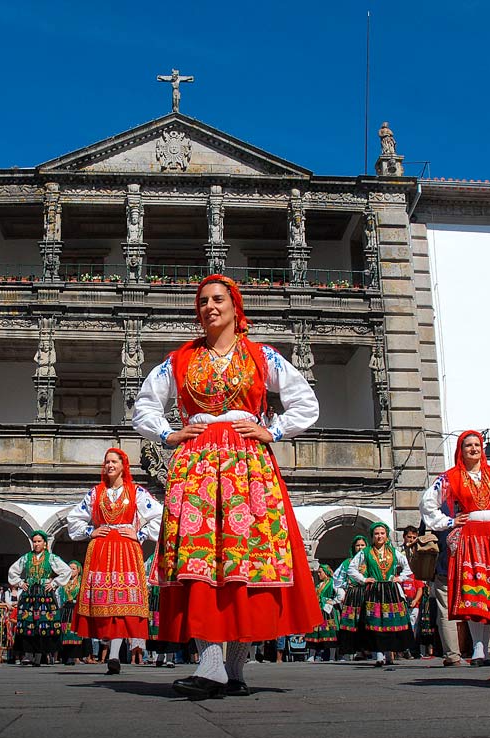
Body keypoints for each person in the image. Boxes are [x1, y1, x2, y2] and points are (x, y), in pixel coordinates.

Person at [133, 274, 322, 699]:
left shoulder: (261, 356)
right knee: (201, 558)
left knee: (245, 559)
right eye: (202, 302)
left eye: (218, 299)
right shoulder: (180, 360)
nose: (210, 307)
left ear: (236, 306)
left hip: (246, 464)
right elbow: (144, 404)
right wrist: (167, 434)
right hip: (198, 463)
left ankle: (234, 667)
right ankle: (212, 663)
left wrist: (272, 430)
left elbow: (304, 401)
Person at [420, 430, 490, 667]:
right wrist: (450, 522)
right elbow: (428, 503)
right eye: (468, 445)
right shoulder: (451, 477)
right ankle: (479, 648)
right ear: (460, 450)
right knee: (475, 590)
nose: (474, 449)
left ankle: (482, 648)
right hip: (470, 535)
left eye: (477, 445)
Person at [66, 447, 163, 675]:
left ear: (123, 466)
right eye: (107, 462)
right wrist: (91, 530)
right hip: (100, 548)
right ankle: (110, 651)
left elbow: (158, 514)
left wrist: (139, 534)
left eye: (114, 462)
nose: (109, 465)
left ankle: (113, 656)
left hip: (126, 549)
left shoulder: (136, 492)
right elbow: (74, 518)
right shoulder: (95, 493)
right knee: (104, 602)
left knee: (121, 602)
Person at [336, 522, 415, 666]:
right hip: (374, 591)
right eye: (376, 534)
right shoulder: (365, 552)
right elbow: (351, 569)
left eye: (382, 533)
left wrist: (399, 578)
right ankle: (379, 655)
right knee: (375, 623)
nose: (379, 536)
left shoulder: (393, 551)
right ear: (372, 537)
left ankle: (389, 654)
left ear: (386, 535)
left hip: (390, 590)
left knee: (390, 622)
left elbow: (408, 566)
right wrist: (364, 579)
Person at [7, 531, 71, 666]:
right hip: (29, 594)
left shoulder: (51, 558)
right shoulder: (26, 558)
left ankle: (40, 655)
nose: (36, 544)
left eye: (39, 541)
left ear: (45, 543)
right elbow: (13, 571)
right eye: (34, 541)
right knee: (28, 622)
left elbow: (66, 571)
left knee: (43, 623)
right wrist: (20, 583)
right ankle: (28, 654)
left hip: (44, 594)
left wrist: (53, 583)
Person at [333, 535, 369, 657]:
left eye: (362, 545)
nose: (360, 548)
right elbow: (337, 579)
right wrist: (343, 591)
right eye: (357, 545)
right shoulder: (347, 563)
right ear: (354, 547)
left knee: (368, 621)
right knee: (353, 623)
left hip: (368, 593)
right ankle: (356, 650)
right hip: (353, 595)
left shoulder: (370, 560)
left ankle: (370, 649)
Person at [304, 565, 338, 660]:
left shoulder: (332, 583)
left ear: (326, 572)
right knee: (314, 632)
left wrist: (332, 601)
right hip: (318, 611)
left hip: (328, 612)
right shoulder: (319, 585)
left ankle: (332, 656)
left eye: (320, 572)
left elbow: (340, 594)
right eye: (318, 572)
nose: (318, 574)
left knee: (330, 632)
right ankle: (311, 655)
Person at [57, 560, 88, 665]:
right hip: (65, 610)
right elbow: (59, 596)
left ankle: (74, 656)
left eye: (73, 569)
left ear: (78, 571)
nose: (71, 571)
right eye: (69, 568)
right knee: (65, 632)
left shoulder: (81, 583)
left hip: (75, 609)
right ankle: (65, 656)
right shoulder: (64, 582)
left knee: (74, 633)